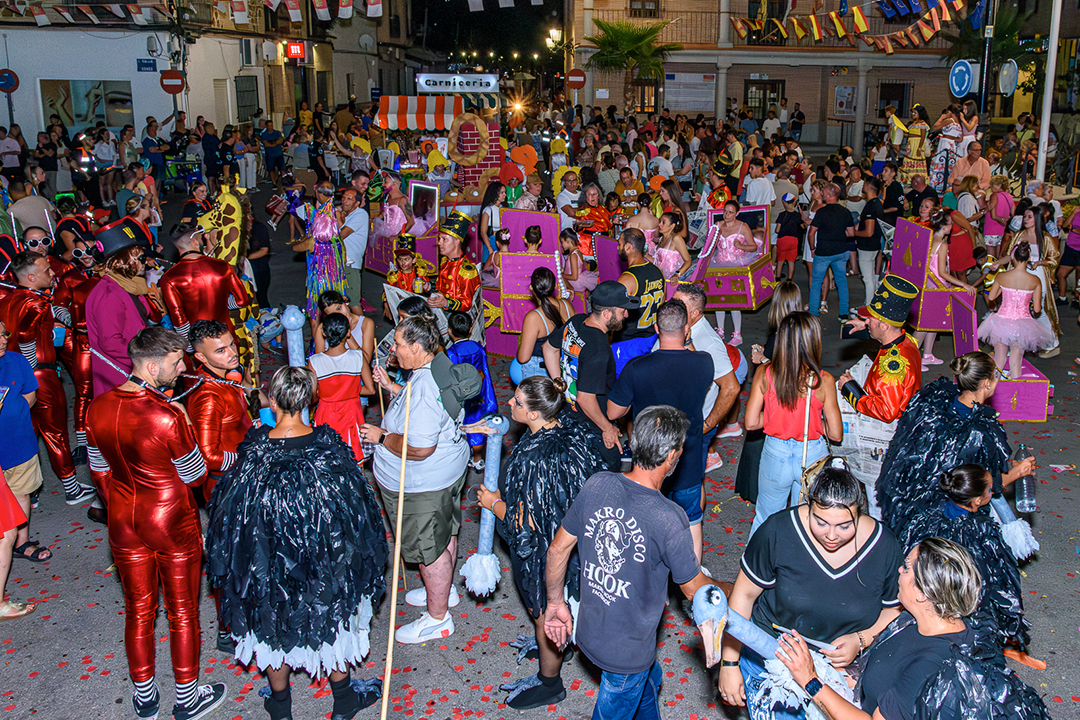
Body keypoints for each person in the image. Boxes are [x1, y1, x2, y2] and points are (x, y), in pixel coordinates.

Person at [205, 365, 386, 720]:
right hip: (323, 557)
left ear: (271, 400)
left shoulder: (253, 453)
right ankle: (344, 700)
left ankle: (282, 707)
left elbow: (233, 518)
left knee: (271, 621)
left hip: (266, 559)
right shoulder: (328, 446)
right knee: (329, 618)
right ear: (311, 399)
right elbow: (355, 511)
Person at [86, 326, 227, 720]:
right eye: (175, 362)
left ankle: (146, 696)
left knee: (138, 609)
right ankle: (187, 698)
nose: (182, 368)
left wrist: (118, 496)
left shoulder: (96, 408)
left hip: (122, 517)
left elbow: (98, 471)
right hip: (170, 518)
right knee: (183, 611)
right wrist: (182, 420)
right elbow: (196, 475)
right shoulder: (167, 413)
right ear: (151, 366)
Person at [543, 405, 714, 718]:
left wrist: (555, 604)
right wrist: (736, 588)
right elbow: (695, 591)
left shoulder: (597, 484)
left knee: (649, 681)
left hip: (591, 633)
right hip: (627, 655)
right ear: (673, 455)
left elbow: (556, 551)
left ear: (634, 442)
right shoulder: (668, 517)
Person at [776, 537, 1052, 720]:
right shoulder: (928, 617)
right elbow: (887, 667)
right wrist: (854, 653)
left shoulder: (930, 666)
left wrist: (810, 680)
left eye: (907, 568)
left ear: (923, 593)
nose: (899, 571)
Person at [719, 462, 903, 714]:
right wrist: (729, 663)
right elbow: (743, 596)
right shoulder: (778, 531)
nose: (831, 535)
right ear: (808, 505)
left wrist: (859, 640)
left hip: (841, 671)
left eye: (844, 526)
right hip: (773, 656)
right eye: (821, 522)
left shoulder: (884, 546)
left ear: (860, 513)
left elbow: (894, 611)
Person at [476, 377, 608, 709]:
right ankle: (556, 641)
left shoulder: (533, 459)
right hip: (577, 542)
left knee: (546, 612)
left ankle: (550, 682)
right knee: (565, 604)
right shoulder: (570, 430)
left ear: (535, 413)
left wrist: (492, 502)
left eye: (517, 402)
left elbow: (527, 523)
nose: (509, 404)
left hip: (548, 553)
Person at [359, 315, 470, 644]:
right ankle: (443, 592)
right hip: (446, 473)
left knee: (428, 550)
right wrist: (393, 388)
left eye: (398, 344)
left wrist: (381, 438)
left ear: (418, 347)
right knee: (444, 533)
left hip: (423, 484)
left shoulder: (423, 386)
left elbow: (420, 447)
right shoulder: (438, 364)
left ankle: (438, 618)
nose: (392, 349)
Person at [876, 351, 1036, 539]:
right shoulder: (978, 431)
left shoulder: (934, 403)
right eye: (996, 375)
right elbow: (980, 487)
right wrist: (1018, 472)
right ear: (986, 383)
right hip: (950, 520)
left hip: (913, 505)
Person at [608, 300, 715, 565]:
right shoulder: (705, 363)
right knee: (692, 522)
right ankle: (691, 586)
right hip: (687, 458)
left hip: (649, 461)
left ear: (656, 327)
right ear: (687, 328)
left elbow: (613, 412)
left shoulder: (637, 368)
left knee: (647, 524)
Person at [899, 464, 1029, 658]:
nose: (993, 492)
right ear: (978, 501)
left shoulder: (928, 514)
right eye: (990, 490)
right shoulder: (980, 532)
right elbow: (997, 578)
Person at [0, 252, 94, 505]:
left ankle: (27, 494)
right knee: (55, 432)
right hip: (39, 375)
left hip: (11, 377)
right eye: (46, 270)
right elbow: (23, 334)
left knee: (27, 430)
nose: (53, 273)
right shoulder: (36, 303)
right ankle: (72, 488)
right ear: (31, 277)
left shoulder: (7, 300)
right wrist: (30, 369)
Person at [744, 312, 843, 536]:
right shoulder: (823, 380)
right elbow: (836, 434)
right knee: (806, 520)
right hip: (811, 456)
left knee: (766, 516)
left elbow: (750, 423)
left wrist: (775, 420)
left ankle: (755, 568)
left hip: (775, 451)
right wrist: (812, 423)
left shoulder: (765, 373)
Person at [543, 280, 637, 472]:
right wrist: (607, 428)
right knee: (606, 473)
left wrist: (559, 383)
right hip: (590, 423)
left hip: (565, 412)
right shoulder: (598, 348)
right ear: (606, 314)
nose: (626, 315)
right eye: (622, 311)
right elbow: (585, 399)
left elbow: (549, 348)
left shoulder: (576, 321)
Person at [85, 219, 164, 397]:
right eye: (140, 258)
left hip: (134, 370)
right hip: (120, 376)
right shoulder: (109, 293)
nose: (144, 262)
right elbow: (111, 344)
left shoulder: (129, 285)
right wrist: (147, 357)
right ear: (124, 261)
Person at [186, 320, 254, 507]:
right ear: (201, 357)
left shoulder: (224, 375)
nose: (233, 353)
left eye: (232, 343)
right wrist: (251, 457)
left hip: (241, 475)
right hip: (228, 487)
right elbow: (208, 457)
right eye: (220, 350)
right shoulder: (208, 396)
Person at [0, 317, 51, 563]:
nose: (3, 340)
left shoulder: (16, 360)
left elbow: (30, 396)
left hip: (19, 442)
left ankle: (22, 542)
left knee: (22, 492)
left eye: (4, 334)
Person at [978, 241, 1055, 377]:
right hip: (1023, 324)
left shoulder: (1002, 276)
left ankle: (993, 388)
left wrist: (1004, 289)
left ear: (1013, 258)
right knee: (1016, 361)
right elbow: (1037, 309)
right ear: (1029, 258)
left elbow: (991, 297)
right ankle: (1014, 391)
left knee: (999, 359)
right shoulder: (1035, 280)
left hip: (1002, 320)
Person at [160, 229, 251, 342]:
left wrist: (189, 347)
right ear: (195, 242)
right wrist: (220, 304)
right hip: (226, 336)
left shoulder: (169, 277)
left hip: (200, 341)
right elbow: (242, 300)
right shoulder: (222, 266)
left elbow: (179, 319)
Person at [307, 313, 374, 463]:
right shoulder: (358, 357)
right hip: (352, 413)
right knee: (356, 459)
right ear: (348, 333)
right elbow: (370, 390)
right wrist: (349, 390)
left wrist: (329, 393)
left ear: (324, 333)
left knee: (327, 460)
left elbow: (312, 397)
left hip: (326, 414)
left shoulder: (314, 361)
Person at [1001, 205, 1061, 358]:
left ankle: (1053, 344)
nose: (1025, 219)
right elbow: (1010, 255)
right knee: (1015, 310)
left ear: (1037, 218)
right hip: (1018, 277)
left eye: (1029, 216)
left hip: (1038, 277)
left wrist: (1039, 263)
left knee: (1038, 311)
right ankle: (1011, 346)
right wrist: (997, 263)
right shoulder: (1018, 235)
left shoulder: (1045, 237)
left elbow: (1054, 258)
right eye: (1024, 216)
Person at [445, 311, 498, 471]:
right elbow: (485, 371)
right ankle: (478, 458)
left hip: (462, 394)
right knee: (478, 422)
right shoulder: (478, 347)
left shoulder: (452, 353)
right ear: (470, 329)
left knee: (461, 423)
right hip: (480, 391)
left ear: (449, 330)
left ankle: (462, 457)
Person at [512, 267, 575, 385]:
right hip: (564, 366)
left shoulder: (534, 317)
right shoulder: (566, 305)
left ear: (531, 288)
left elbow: (523, 358)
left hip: (541, 371)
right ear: (554, 286)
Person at [612, 228, 665, 360]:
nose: (618, 248)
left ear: (628, 247)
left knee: (622, 378)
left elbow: (615, 316)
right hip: (652, 338)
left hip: (629, 342)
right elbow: (662, 306)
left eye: (619, 244)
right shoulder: (658, 272)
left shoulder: (627, 279)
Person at [808, 183, 856, 319]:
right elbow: (851, 233)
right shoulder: (845, 212)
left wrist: (812, 248)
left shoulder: (822, 212)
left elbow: (811, 233)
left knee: (817, 282)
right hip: (841, 251)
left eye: (823, 192)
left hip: (823, 252)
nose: (822, 193)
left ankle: (813, 313)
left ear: (829, 195)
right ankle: (843, 313)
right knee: (841, 282)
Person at [427, 211, 481, 312]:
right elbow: (441, 288)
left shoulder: (466, 270)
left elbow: (467, 304)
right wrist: (428, 286)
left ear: (456, 241)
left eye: (444, 239)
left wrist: (446, 303)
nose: (439, 243)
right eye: (439, 239)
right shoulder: (445, 262)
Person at [338, 187, 369, 315]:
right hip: (341, 263)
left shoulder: (361, 214)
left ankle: (364, 333)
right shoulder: (348, 215)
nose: (344, 201)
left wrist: (338, 216)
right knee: (340, 302)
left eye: (349, 199)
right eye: (343, 198)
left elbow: (341, 234)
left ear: (357, 203)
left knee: (353, 302)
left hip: (350, 264)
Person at [653, 211, 692, 281]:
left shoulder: (676, 238)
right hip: (662, 278)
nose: (659, 224)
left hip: (672, 280)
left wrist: (677, 274)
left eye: (663, 222)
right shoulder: (661, 239)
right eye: (660, 221)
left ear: (672, 226)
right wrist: (646, 255)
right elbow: (658, 262)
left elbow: (688, 261)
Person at [558, 228, 598, 295]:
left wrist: (561, 275)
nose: (561, 245)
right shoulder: (576, 252)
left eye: (562, 242)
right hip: (575, 280)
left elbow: (574, 277)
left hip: (575, 283)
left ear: (567, 241)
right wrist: (563, 270)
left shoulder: (573, 255)